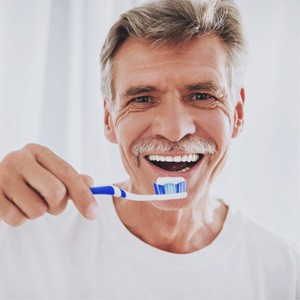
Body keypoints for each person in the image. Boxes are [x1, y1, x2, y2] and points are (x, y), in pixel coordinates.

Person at [0, 0, 299, 299]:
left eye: (201, 95)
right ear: (109, 119)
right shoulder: (24, 237)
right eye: (142, 99)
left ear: (237, 114)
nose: (174, 129)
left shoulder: (285, 273)